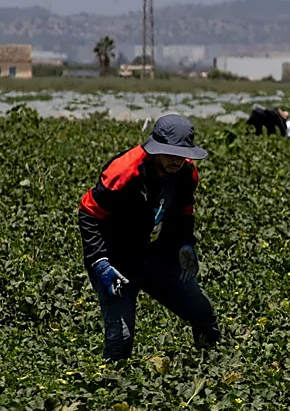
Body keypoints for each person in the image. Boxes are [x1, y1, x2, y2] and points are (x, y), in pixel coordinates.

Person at [78, 114, 222, 361]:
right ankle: (109, 389)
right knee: (120, 340)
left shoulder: (187, 173)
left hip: (155, 255)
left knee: (202, 313)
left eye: (182, 154)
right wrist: (99, 262)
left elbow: (184, 212)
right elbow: (89, 213)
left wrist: (185, 244)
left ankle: (212, 368)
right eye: (170, 153)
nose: (177, 160)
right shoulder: (124, 172)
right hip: (116, 261)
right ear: (155, 149)